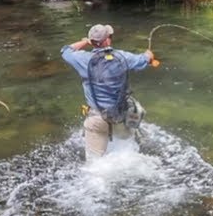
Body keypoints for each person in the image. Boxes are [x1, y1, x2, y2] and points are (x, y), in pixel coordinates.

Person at [61, 24, 154, 159]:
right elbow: (144, 60)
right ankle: (134, 138)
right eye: (110, 36)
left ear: (92, 41)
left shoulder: (82, 59)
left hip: (97, 118)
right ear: (107, 40)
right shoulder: (123, 57)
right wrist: (148, 55)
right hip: (120, 115)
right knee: (128, 150)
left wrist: (86, 42)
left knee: (95, 164)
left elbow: (65, 51)